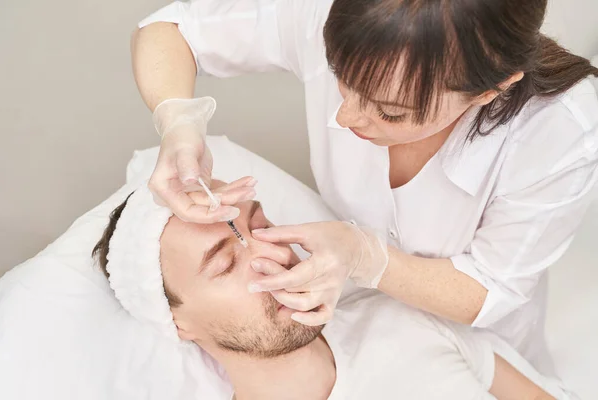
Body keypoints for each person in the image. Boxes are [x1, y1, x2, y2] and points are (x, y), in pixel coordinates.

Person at [131, 0, 598, 373]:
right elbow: (171, 28)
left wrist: (365, 257)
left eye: (389, 111)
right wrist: (179, 121)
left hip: (486, 344)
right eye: (339, 76)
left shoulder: (562, 128)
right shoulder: (324, 9)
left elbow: (492, 286)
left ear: (489, 90)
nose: (346, 116)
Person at [93, 182, 571, 400]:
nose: (270, 256)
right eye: (223, 263)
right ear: (178, 322)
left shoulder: (406, 319)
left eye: (259, 226)